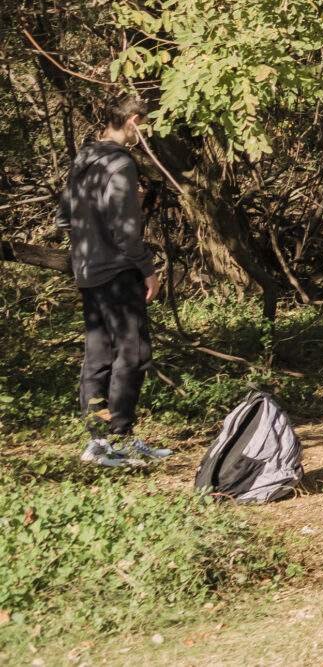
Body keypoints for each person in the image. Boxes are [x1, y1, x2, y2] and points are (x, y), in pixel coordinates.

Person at [57, 94, 171, 467]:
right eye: (146, 127)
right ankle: (118, 437)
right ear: (134, 120)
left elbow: (63, 217)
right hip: (118, 271)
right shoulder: (121, 163)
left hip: (87, 271)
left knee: (98, 354)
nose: (146, 135)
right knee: (134, 352)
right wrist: (148, 268)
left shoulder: (83, 158)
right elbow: (124, 232)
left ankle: (98, 442)